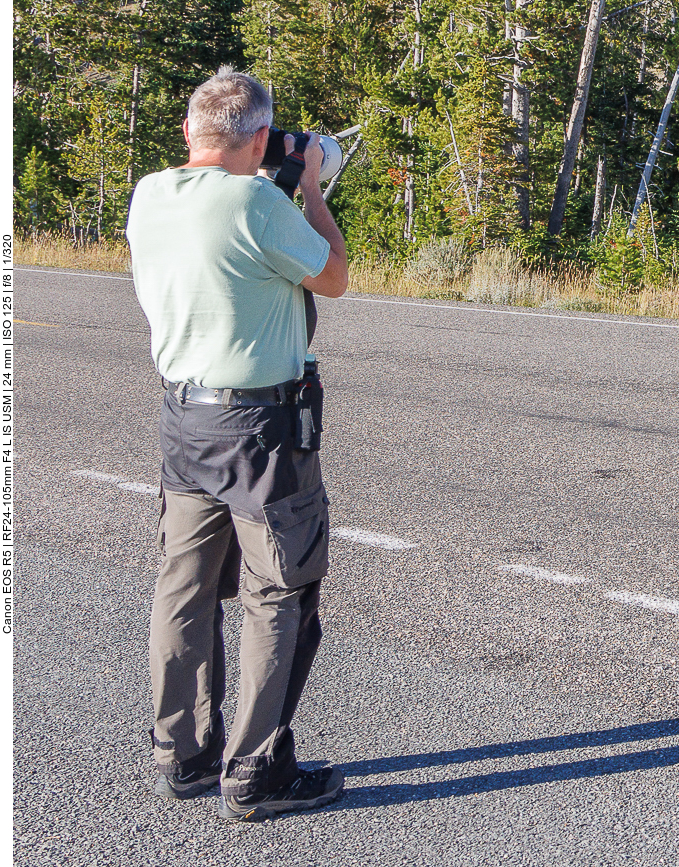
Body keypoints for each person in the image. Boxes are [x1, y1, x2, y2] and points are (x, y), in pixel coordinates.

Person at [126, 66, 349, 821]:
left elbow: (230, 245)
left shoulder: (150, 195)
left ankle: (180, 751)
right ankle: (255, 770)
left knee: (184, 584)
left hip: (184, 420)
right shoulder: (261, 202)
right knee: (278, 591)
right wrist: (310, 184)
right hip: (262, 432)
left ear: (189, 130)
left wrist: (267, 169)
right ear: (259, 138)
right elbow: (334, 276)